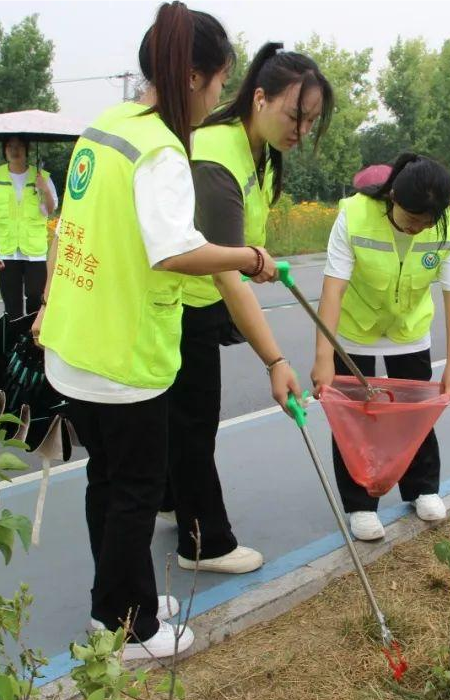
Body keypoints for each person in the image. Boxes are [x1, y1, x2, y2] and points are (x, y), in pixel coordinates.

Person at [34, 2, 280, 660]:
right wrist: (247, 258)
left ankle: (116, 599)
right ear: (194, 76)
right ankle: (130, 627)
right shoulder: (163, 152)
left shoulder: (108, 126)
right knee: (135, 493)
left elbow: (67, 229)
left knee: (107, 484)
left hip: (75, 344)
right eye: (221, 82)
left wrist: (46, 301)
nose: (219, 96)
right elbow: (175, 254)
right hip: (122, 356)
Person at [153, 41, 332, 573]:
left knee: (182, 417)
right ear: (259, 97)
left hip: (202, 303)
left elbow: (240, 249)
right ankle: (203, 544)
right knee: (194, 422)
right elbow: (225, 270)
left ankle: (171, 496)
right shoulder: (216, 157)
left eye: (312, 121)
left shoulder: (261, 155)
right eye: (295, 115)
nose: (301, 130)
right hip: (177, 306)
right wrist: (276, 361)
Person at [310, 153, 450, 542]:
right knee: (355, 418)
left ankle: (422, 488)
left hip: (409, 330)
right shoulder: (354, 215)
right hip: (354, 330)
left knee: (414, 415)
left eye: (426, 224)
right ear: (393, 196)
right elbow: (333, 288)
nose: (417, 230)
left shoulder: (449, 225)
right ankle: (360, 505)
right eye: (411, 220)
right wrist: (323, 356)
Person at [0, 136, 57, 317]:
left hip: (34, 250)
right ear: (4, 150)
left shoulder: (41, 177)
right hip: (5, 248)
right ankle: (14, 342)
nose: (15, 150)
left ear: (27, 150)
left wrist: (44, 189)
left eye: (20, 146)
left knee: (36, 297)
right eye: (10, 147)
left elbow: (49, 209)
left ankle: (32, 341)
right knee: (12, 302)